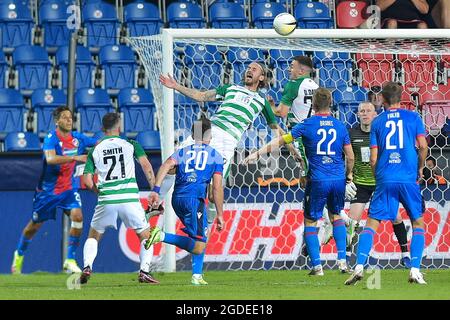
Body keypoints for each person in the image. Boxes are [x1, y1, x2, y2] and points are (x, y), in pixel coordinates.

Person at [158, 61, 281, 280]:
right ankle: (155, 200)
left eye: (255, 69)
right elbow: (202, 95)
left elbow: (276, 129)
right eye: (248, 67)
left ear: (262, 78)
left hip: (227, 140)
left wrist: (293, 146)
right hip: (206, 129)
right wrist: (176, 86)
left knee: (212, 194)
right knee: (171, 165)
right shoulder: (230, 89)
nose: (249, 70)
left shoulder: (262, 101)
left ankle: (199, 260)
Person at [244, 88, 355, 275]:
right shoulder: (340, 126)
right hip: (337, 179)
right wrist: (349, 175)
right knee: (336, 216)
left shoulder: (306, 124)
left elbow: (281, 141)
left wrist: (256, 153)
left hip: (317, 179)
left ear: (313, 104)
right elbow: (350, 157)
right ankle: (342, 262)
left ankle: (317, 266)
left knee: (311, 220)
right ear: (330, 104)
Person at [345, 82, 428, 285]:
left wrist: (379, 176)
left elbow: (373, 157)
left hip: (384, 178)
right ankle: (415, 270)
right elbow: (424, 146)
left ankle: (358, 267)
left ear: (381, 99)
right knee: (418, 223)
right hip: (408, 178)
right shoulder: (413, 117)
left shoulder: (378, 122)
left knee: (371, 224)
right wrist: (419, 168)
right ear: (402, 97)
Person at [11, 106, 97, 274]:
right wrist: (74, 157)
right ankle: (19, 255)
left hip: (68, 189)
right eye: (65, 118)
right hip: (48, 192)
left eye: (70, 117)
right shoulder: (51, 139)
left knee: (78, 216)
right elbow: (50, 159)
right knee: (33, 227)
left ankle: (70, 259)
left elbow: (99, 143)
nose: (69, 120)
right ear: (57, 121)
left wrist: (113, 141)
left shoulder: (78, 138)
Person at [81, 113, 158, 284]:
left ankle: (87, 266)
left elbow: (86, 181)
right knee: (146, 235)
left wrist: (98, 192)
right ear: (119, 127)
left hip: (107, 198)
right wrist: (154, 190)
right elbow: (146, 166)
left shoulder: (95, 150)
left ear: (102, 129)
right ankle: (144, 271)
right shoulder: (131, 144)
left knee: (93, 236)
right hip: (129, 197)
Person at [146, 117, 224, 285]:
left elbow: (167, 165)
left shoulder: (182, 151)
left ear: (192, 134)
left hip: (177, 199)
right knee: (199, 245)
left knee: (203, 234)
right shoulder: (216, 156)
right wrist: (220, 214)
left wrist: (156, 190)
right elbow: (217, 188)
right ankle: (160, 235)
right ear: (209, 134)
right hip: (193, 200)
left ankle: (197, 276)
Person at [345, 102, 412, 268]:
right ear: (358, 114)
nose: (365, 113)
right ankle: (345, 259)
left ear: (375, 114)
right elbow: (346, 157)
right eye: (362, 111)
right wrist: (348, 178)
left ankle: (406, 255)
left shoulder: (382, 132)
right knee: (352, 221)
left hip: (381, 183)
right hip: (360, 183)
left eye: (368, 110)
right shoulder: (352, 133)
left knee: (396, 217)